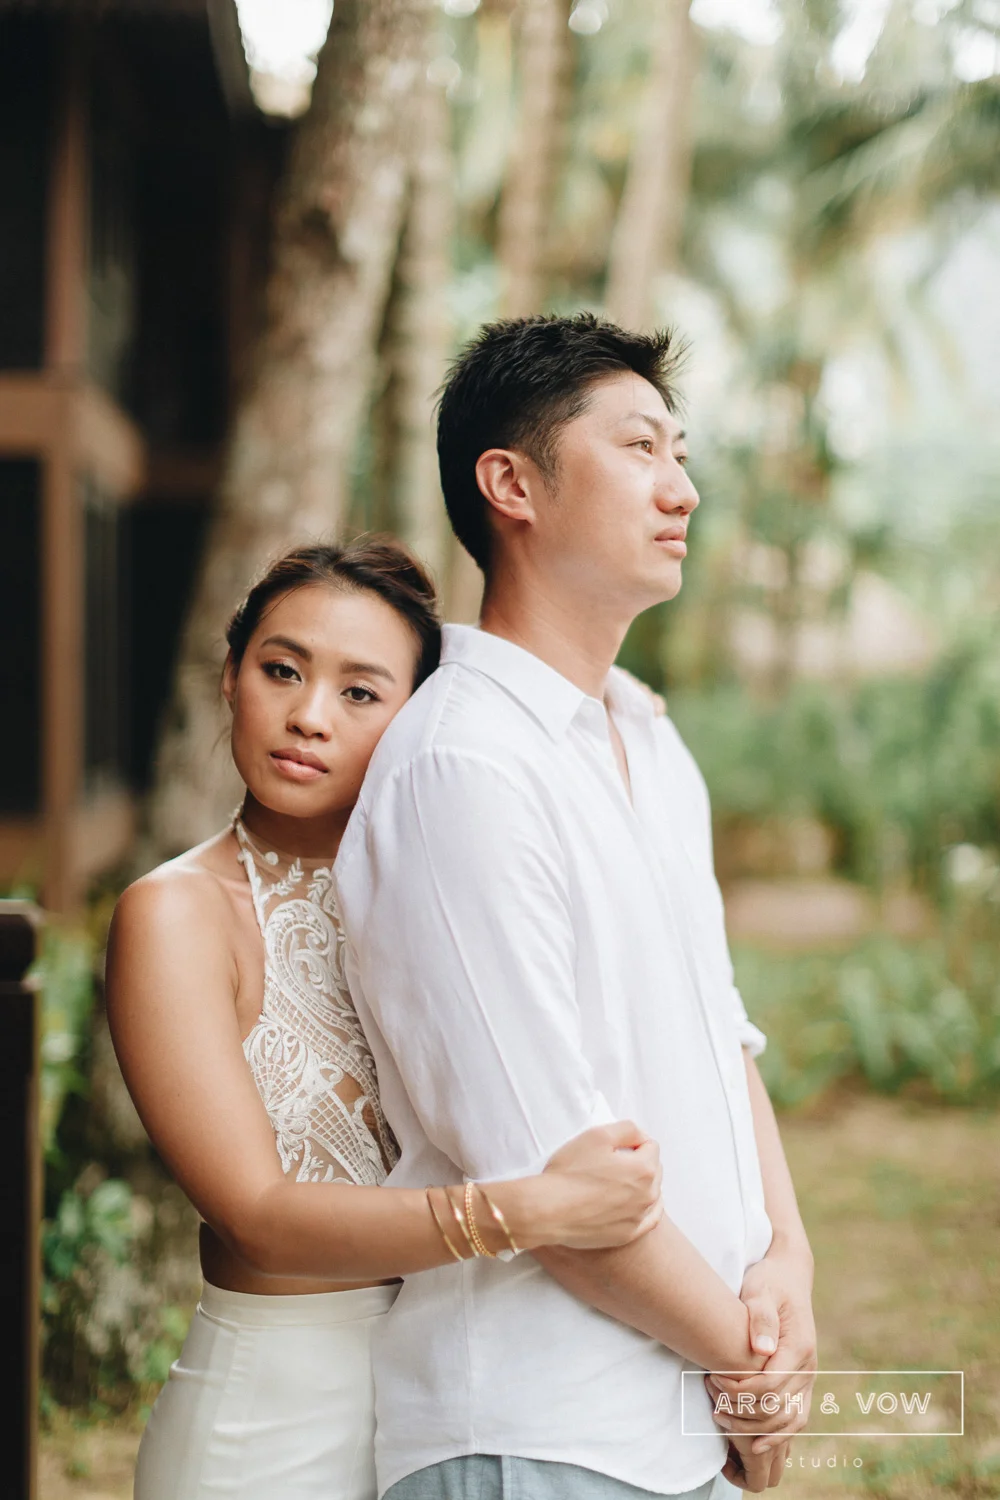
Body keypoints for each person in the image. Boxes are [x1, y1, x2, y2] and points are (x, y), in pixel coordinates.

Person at [334, 314, 818, 1500]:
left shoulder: (650, 742)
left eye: (679, 453)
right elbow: (545, 1175)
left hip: (678, 1419)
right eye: (640, 448)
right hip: (536, 1430)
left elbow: (722, 1034)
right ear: (511, 484)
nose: (682, 489)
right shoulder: (461, 765)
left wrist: (787, 1266)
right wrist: (746, 1367)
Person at [105, 537, 665, 1500]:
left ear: (417, 717)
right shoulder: (175, 916)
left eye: (360, 692)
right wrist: (533, 1210)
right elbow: (259, 1217)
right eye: (282, 670)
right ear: (232, 676)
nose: (309, 715)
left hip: (458, 1406)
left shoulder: (449, 898)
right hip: (272, 1430)